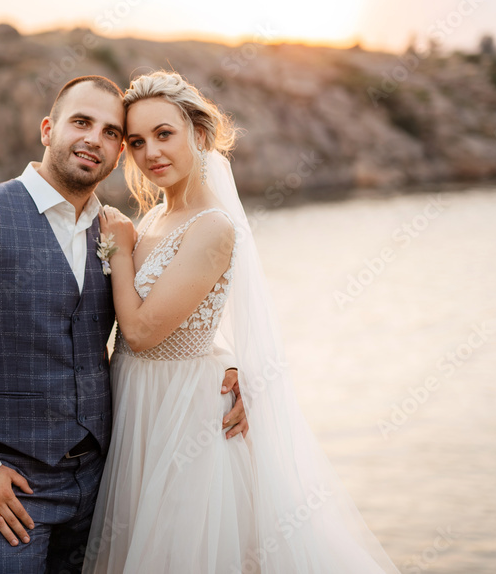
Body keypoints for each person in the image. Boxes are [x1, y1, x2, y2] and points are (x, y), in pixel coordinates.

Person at [0, 75, 247, 574]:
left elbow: (178, 314)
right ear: (48, 129)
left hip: (105, 484)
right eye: (81, 122)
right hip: (11, 489)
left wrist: (230, 367)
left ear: (116, 156)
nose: (96, 139)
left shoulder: (115, 230)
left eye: (113, 133)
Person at [85, 71, 400, 573]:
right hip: (140, 406)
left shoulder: (212, 227)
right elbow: (189, 319)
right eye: (137, 141)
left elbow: (142, 334)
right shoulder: (152, 219)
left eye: (164, 134)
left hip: (184, 417)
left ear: (199, 134)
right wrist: (228, 359)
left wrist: (118, 251)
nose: (150, 154)